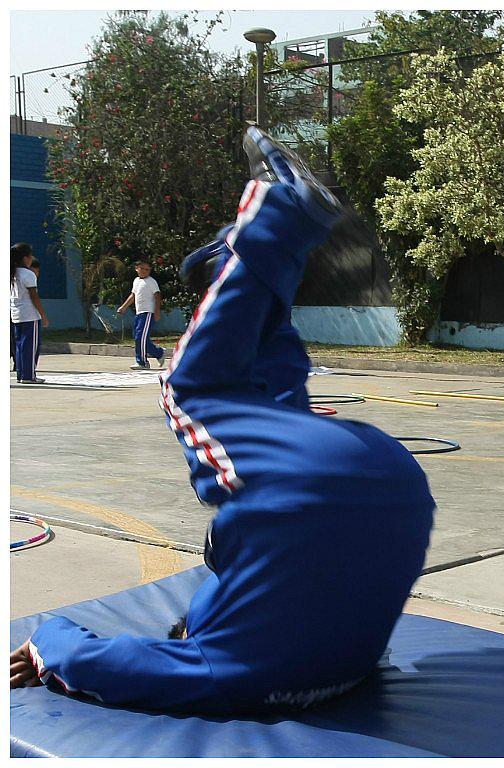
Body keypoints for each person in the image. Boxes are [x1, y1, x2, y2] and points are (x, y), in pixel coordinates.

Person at [9, 127, 435, 715]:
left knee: (269, 414)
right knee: (190, 388)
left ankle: (263, 284)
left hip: (401, 488)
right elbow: (101, 661)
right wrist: (47, 645)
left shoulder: (348, 660)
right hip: (314, 490)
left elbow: (254, 573)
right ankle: (278, 219)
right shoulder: (221, 668)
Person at [116, 259, 166, 369]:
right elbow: (133, 295)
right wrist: (123, 307)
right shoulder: (136, 281)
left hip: (148, 312)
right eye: (142, 268)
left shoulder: (151, 281)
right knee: (138, 337)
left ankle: (142, 362)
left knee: (140, 337)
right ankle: (159, 353)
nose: (144, 271)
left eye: (147, 270)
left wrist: (157, 312)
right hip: (139, 313)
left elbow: (157, 296)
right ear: (136, 268)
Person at [11, 242, 48, 384]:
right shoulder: (28, 274)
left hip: (17, 314)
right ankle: (28, 376)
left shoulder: (12, 273)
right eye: (30, 256)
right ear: (25, 258)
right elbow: (34, 296)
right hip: (30, 315)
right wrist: (43, 315)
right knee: (31, 347)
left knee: (20, 346)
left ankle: (21, 374)